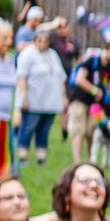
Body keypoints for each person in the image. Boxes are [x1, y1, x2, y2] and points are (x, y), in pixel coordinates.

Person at [13, 23, 65, 171]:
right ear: (35, 40)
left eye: (45, 40)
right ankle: (22, 155)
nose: (42, 43)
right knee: (28, 127)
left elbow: (61, 76)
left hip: (50, 102)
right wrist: (23, 97)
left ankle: (41, 157)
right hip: (33, 100)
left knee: (44, 130)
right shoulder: (28, 53)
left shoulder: (52, 55)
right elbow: (21, 77)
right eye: (39, 40)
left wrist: (63, 96)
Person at [67, 43, 110, 166]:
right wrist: (94, 90)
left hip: (95, 104)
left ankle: (90, 160)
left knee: (91, 131)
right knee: (79, 129)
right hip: (79, 99)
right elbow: (80, 79)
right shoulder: (91, 61)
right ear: (107, 49)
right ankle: (77, 162)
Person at [0, 21, 15, 179]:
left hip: (4, 118)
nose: (9, 42)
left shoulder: (11, 60)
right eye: (4, 37)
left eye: (11, 38)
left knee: (4, 160)